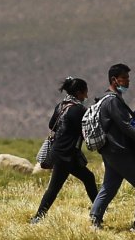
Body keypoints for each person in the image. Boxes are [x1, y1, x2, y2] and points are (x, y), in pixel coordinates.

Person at [89, 63, 135, 231]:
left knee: (110, 185)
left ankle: (94, 219)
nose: (128, 81)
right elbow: (125, 126)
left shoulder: (108, 99)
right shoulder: (113, 101)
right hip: (118, 150)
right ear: (114, 80)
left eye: (128, 78)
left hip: (109, 151)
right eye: (124, 78)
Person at [30, 77, 98, 224]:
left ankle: (99, 210)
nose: (86, 96)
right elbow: (88, 126)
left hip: (62, 152)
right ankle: (37, 218)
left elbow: (51, 124)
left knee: (88, 178)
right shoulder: (79, 109)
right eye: (85, 92)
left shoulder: (61, 105)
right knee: (55, 187)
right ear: (79, 92)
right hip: (65, 155)